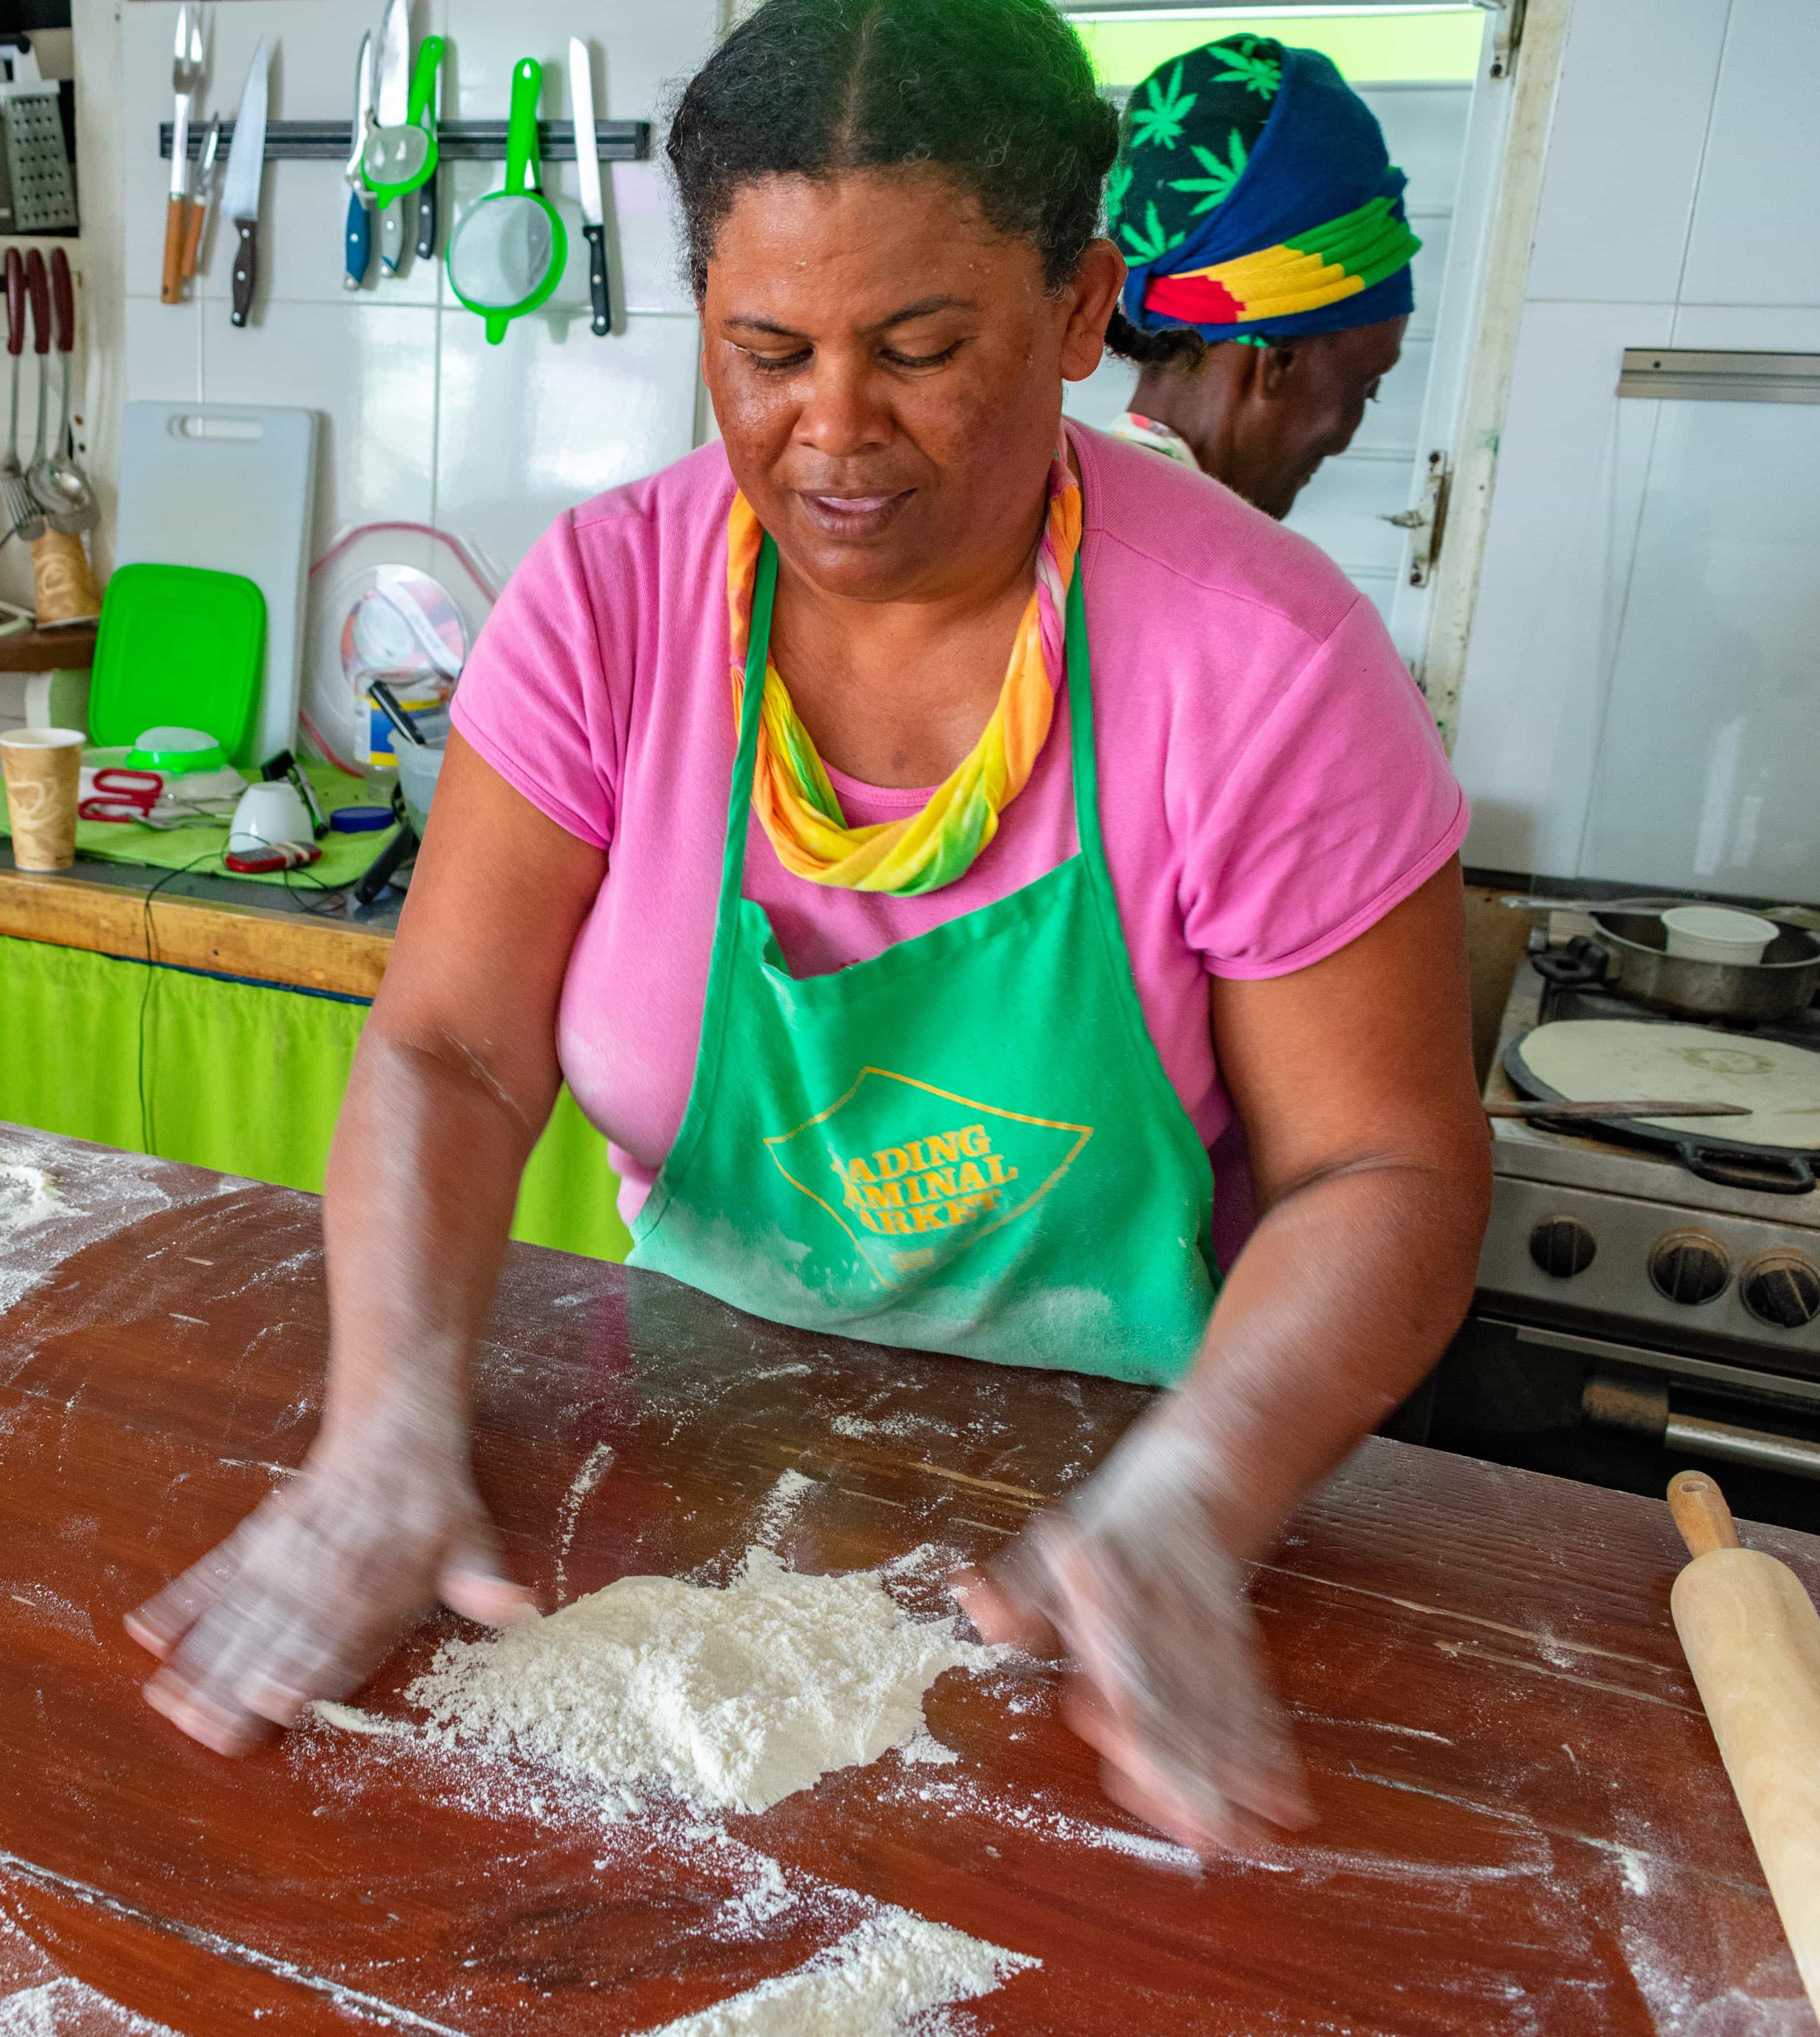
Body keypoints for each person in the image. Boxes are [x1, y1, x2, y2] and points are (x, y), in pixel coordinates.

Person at [127, 0, 1487, 1853]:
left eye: (920, 350)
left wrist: (1195, 1500)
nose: (830, 433)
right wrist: (379, 1430)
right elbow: (449, 1048)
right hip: (670, 1449)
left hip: (1129, 1512)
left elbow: (1385, 1168)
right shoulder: (606, 605)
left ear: (1085, 312)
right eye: (762, 351)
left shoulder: (1261, 667)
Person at [1101, 34, 1418, 517]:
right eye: (1366, 385)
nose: (1345, 438)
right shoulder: (1238, 581)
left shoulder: (1053, 518)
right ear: (1280, 362)